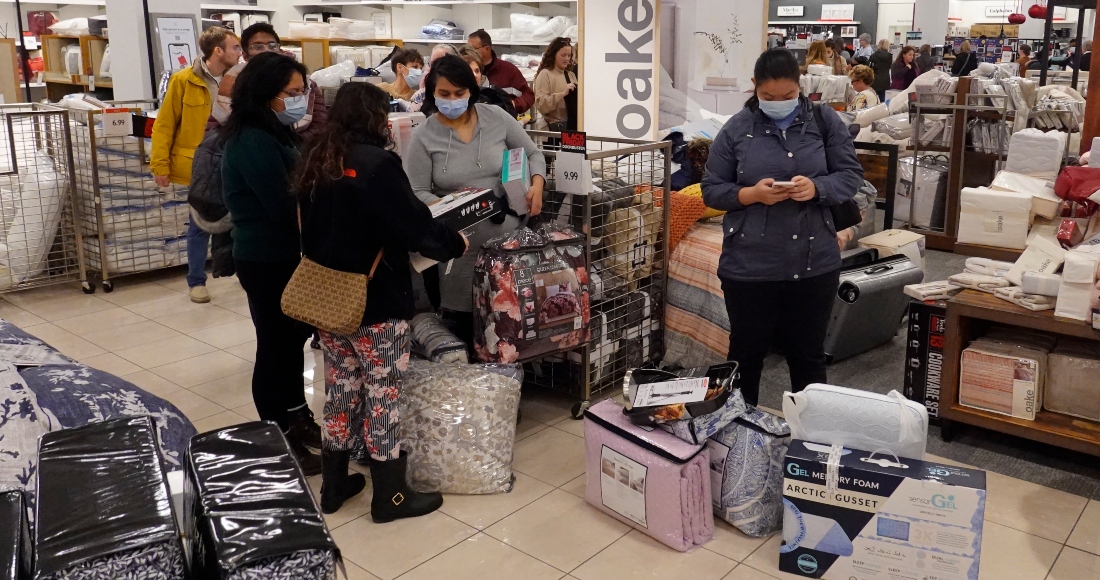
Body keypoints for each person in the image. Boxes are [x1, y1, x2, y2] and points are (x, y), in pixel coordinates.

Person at [293, 83, 469, 519]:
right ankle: (391, 495)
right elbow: (413, 225)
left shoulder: (317, 157)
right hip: (375, 300)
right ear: (374, 118)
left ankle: (334, 485)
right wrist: (453, 243)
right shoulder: (378, 164)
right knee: (383, 395)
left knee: (340, 388)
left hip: (327, 296)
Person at [700, 48, 863, 406]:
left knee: (808, 357)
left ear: (799, 85)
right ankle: (739, 433)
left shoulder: (824, 121)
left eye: (787, 95)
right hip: (750, 266)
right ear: (754, 86)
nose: (778, 103)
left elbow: (850, 176)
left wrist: (817, 188)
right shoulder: (737, 129)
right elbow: (711, 189)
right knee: (745, 357)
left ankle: (810, 436)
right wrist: (750, 194)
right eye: (768, 97)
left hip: (813, 262)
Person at [220, 52, 322, 474]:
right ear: (266, 93)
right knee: (274, 345)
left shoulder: (277, 131)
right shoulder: (252, 140)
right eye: (292, 93)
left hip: (286, 255)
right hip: (265, 257)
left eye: (302, 91)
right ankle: (276, 434)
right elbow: (282, 205)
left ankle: (297, 416)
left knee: (291, 341)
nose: (299, 100)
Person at [404, 55, 547, 346]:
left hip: (508, 244)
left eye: (459, 93)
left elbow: (533, 153)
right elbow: (416, 190)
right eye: (444, 94)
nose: (452, 100)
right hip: (459, 251)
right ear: (432, 93)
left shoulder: (496, 117)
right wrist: (455, 206)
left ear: (471, 89)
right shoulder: (424, 136)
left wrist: (537, 184)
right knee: (467, 329)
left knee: (512, 321)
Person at [152, 26, 241, 304]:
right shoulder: (184, 80)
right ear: (218, 51)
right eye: (235, 47)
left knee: (240, 217)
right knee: (200, 223)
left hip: (234, 158)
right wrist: (160, 165)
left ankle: (239, 269)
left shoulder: (240, 79)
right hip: (200, 164)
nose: (240, 52)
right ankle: (196, 281)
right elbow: (164, 124)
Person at [239, 23, 328, 141]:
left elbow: (320, 123)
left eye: (272, 46)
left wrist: (294, 143)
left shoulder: (305, 84)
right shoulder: (237, 85)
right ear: (245, 55)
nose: (267, 51)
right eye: (258, 47)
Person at [468, 29, 535, 116]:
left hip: (504, 119)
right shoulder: (463, 70)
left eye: (472, 49)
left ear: (487, 49)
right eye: (467, 48)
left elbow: (529, 95)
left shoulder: (508, 70)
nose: (469, 52)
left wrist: (513, 104)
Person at [533, 37, 578, 131]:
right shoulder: (545, 74)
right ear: (553, 55)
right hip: (554, 129)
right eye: (563, 55)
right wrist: (562, 94)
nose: (567, 59)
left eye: (569, 55)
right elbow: (541, 105)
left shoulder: (570, 75)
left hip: (571, 127)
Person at [457, 45, 517, 117]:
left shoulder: (495, 95)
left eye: (477, 71)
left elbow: (510, 121)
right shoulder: (453, 98)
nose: (475, 75)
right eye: (469, 71)